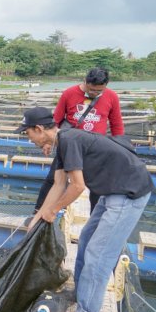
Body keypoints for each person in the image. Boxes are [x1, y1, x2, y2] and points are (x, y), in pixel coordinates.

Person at [16, 107, 152, 312]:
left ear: (39, 129)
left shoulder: (69, 140)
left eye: (28, 133)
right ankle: (81, 293)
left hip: (129, 193)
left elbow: (77, 186)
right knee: (86, 240)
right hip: (112, 191)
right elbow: (59, 185)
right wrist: (39, 215)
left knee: (98, 254)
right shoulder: (63, 142)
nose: (29, 138)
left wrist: (54, 210)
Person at [35, 68, 124, 213]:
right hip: (68, 145)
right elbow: (55, 120)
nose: (94, 93)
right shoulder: (69, 93)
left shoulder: (111, 97)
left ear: (106, 85)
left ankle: (95, 218)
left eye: (98, 91)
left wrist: (121, 146)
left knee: (98, 186)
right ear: (85, 81)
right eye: (91, 89)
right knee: (53, 179)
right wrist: (47, 141)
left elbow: (116, 124)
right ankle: (38, 211)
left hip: (95, 149)